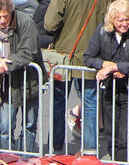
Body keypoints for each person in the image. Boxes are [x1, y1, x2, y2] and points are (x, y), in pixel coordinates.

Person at [45, 0, 111, 154]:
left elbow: (50, 23)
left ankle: (56, 148)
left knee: (58, 102)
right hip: (93, 55)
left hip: (64, 55)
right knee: (90, 104)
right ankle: (89, 151)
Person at [85, 0, 129, 159]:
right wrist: (106, 64)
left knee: (125, 136)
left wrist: (115, 68)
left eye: (128, 19)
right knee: (110, 135)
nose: (125, 24)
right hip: (108, 90)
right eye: (121, 20)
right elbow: (88, 58)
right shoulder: (101, 31)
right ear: (112, 19)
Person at [0, 0, 44, 151]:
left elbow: (28, 51)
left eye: (5, 16)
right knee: (5, 127)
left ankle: (26, 158)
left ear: (11, 12)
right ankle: (8, 159)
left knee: (29, 125)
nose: (2, 21)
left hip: (29, 82)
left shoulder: (25, 21)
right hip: (6, 85)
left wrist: (3, 66)